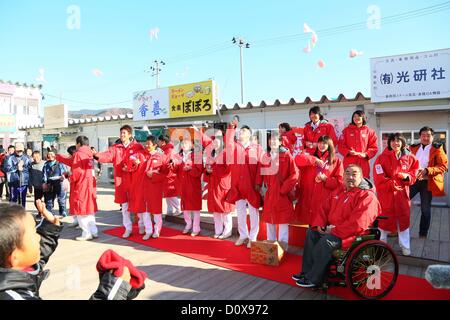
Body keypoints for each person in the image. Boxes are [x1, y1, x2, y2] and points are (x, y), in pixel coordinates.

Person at [0, 201, 139, 300]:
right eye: (33, 234)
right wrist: (113, 291)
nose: (38, 237)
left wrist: (49, 230)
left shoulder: (14, 269)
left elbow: (34, 259)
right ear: (14, 257)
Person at [293, 164, 381, 288]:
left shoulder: (367, 196)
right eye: (347, 174)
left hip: (352, 235)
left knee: (326, 242)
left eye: (354, 174)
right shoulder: (340, 190)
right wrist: (320, 224)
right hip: (335, 230)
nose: (350, 177)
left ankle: (315, 279)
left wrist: (332, 231)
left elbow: (357, 224)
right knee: (311, 233)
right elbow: (324, 209)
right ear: (343, 176)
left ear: (362, 177)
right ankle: (307, 272)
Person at [93, 125, 145, 238]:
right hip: (121, 180)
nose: (122, 135)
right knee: (124, 206)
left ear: (130, 135)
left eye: (124, 133)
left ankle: (141, 225)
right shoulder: (116, 148)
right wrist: (96, 155)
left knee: (138, 203)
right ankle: (128, 228)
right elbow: (107, 155)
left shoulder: (137, 147)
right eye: (121, 133)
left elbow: (142, 160)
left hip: (134, 180)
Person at [373, 133, 419, 256]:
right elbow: (378, 175)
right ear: (389, 143)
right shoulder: (382, 158)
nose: (395, 143)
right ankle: (381, 247)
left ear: (403, 142)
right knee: (383, 223)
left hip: (402, 195)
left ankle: (405, 246)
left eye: (398, 141)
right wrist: (390, 183)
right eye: (392, 141)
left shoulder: (410, 157)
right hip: (386, 195)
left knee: (403, 221)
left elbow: (415, 172)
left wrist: (407, 176)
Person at [225, 119, 263, 248]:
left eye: (244, 131)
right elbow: (228, 142)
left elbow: (260, 166)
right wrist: (231, 128)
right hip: (237, 184)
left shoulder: (257, 148)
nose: (241, 132)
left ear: (249, 135)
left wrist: (258, 182)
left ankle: (253, 237)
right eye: (240, 131)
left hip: (251, 185)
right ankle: (243, 235)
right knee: (240, 212)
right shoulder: (235, 146)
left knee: (253, 212)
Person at [257, 132, 298, 248]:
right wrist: (262, 187)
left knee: (283, 221)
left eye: (275, 140)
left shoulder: (286, 155)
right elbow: (261, 173)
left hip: (282, 194)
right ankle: (271, 246)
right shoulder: (266, 156)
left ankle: (282, 247)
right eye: (270, 140)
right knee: (270, 221)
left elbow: (294, 174)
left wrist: (283, 189)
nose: (272, 142)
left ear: (280, 142)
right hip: (270, 193)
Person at [56, 136, 98, 241]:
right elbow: (72, 162)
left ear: (78, 144)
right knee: (89, 209)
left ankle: (86, 233)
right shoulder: (89, 154)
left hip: (81, 185)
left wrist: (69, 177)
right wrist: (59, 157)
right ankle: (94, 231)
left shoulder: (78, 154)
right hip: (89, 184)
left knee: (81, 210)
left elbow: (76, 172)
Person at [294, 135, 343, 225]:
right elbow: (297, 159)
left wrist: (326, 179)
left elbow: (339, 182)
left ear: (329, 145)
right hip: (309, 198)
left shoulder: (336, 161)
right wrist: (314, 160)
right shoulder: (310, 155)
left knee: (322, 226)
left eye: (324, 143)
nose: (321, 145)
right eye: (320, 143)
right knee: (310, 228)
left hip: (324, 199)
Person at [409, 126, 448, 238]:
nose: (425, 137)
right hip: (413, 181)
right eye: (423, 135)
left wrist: (427, 170)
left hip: (428, 182)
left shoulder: (438, 148)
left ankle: (423, 233)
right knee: (400, 202)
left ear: (432, 136)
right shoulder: (413, 147)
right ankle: (398, 229)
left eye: (428, 135)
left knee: (425, 209)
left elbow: (443, 166)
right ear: (420, 136)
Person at [203, 129, 235, 239]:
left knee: (225, 210)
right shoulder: (210, 154)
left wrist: (214, 171)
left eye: (218, 140)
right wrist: (207, 171)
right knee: (215, 210)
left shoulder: (227, 153)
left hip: (223, 184)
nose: (215, 142)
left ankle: (227, 230)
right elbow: (206, 169)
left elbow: (229, 170)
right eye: (214, 140)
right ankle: (218, 230)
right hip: (213, 185)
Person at [172, 138, 204, 237]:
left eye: (187, 143)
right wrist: (173, 164)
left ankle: (196, 227)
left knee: (195, 207)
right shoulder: (179, 156)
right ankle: (188, 224)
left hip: (193, 184)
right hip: (183, 184)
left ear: (191, 146)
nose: (184, 145)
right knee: (185, 207)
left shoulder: (197, 156)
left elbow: (199, 170)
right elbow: (174, 170)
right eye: (183, 143)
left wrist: (190, 169)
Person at [141, 136, 169, 239]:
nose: (147, 145)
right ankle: (148, 230)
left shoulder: (161, 157)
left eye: (149, 144)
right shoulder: (142, 155)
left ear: (155, 145)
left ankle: (157, 230)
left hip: (155, 188)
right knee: (146, 210)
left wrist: (153, 175)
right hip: (144, 187)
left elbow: (165, 173)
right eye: (146, 143)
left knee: (156, 210)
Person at [338, 110, 378, 179]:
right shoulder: (346, 131)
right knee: (349, 181)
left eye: (358, 116)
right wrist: (348, 152)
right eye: (354, 116)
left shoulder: (370, 132)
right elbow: (341, 146)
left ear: (363, 118)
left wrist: (366, 154)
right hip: (349, 161)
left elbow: (374, 147)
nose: (356, 118)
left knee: (363, 181)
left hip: (363, 162)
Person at [158, 135, 182, 217]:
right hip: (168, 175)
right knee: (168, 193)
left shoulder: (169, 151)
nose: (158, 143)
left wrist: (159, 168)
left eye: (159, 141)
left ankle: (178, 209)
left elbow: (168, 164)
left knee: (170, 193)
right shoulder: (167, 150)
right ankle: (170, 210)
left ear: (163, 142)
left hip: (169, 175)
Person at [3, 143, 32, 207]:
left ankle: (22, 215)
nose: (19, 152)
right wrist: (16, 167)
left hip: (24, 182)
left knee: (22, 200)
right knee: (13, 199)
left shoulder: (26, 158)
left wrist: (23, 168)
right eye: (18, 150)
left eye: (21, 150)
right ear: (15, 150)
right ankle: (13, 215)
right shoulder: (9, 158)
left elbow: (29, 169)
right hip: (13, 182)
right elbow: (5, 169)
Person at [42, 150, 68, 217]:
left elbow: (64, 172)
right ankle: (49, 212)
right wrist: (45, 182)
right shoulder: (46, 164)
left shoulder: (60, 163)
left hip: (59, 182)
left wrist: (63, 176)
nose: (50, 156)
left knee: (61, 198)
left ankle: (63, 211)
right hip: (50, 182)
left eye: (51, 154)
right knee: (49, 198)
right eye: (49, 154)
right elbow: (44, 174)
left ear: (55, 155)